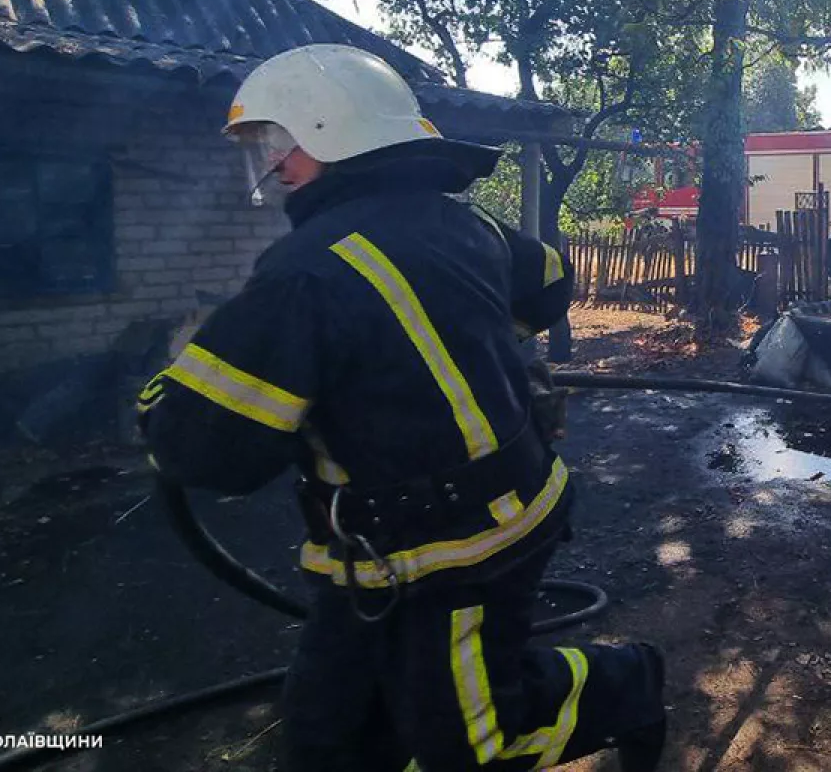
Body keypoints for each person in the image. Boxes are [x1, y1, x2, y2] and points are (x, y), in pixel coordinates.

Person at [137, 44, 666, 772]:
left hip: (465, 548)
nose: (274, 163)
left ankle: (632, 682)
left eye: (280, 140)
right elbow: (547, 282)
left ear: (334, 132)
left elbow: (209, 450)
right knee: (329, 734)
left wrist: (157, 401)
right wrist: (475, 340)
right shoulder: (465, 224)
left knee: (475, 744)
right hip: (374, 557)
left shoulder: (304, 273)